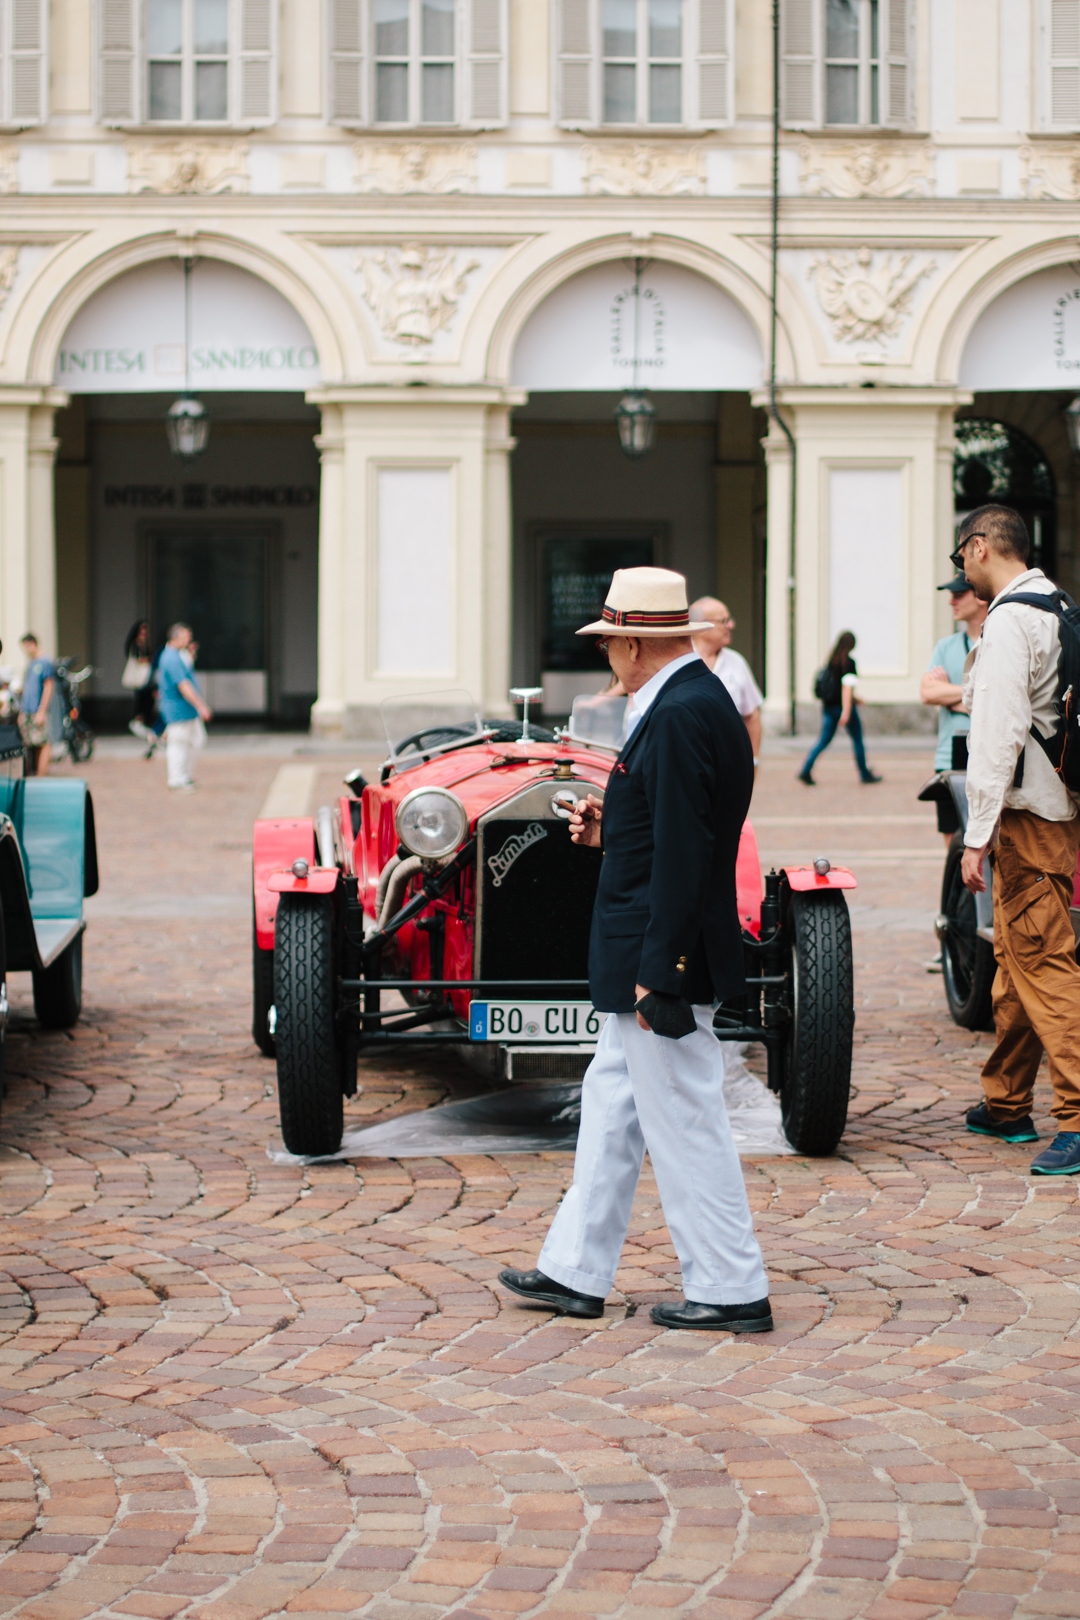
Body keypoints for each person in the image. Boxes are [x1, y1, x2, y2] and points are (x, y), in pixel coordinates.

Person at [498, 567, 772, 1333]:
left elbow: (689, 853)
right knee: (612, 1106)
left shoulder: (680, 711)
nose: (606, 659)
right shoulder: (687, 701)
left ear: (631, 644)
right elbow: (674, 828)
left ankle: (730, 1285)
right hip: (650, 947)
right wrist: (610, 827)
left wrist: (662, 974)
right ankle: (574, 1270)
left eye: (609, 644)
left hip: (659, 956)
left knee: (685, 1121)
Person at [957, 504, 1080, 1176]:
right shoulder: (1059, 605)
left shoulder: (1009, 619)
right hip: (1058, 811)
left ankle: (1079, 1116)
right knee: (1017, 960)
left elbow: (997, 734)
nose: (962, 571)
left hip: (1027, 821)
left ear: (979, 548)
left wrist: (976, 836)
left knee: (1045, 963)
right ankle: (1005, 1102)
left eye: (960, 558)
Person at [921, 574, 989, 846]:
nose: (952, 601)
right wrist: (977, 696)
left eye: (959, 594)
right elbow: (927, 692)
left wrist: (949, 693)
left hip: (988, 757)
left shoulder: (999, 642)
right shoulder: (945, 646)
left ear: (980, 597)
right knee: (954, 846)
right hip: (949, 760)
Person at [798, 631, 882, 785]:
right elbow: (846, 688)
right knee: (857, 739)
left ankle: (806, 769)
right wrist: (846, 710)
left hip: (828, 707)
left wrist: (855, 700)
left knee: (823, 740)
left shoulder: (832, 661)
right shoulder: (848, 663)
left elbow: (835, 687)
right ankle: (864, 773)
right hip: (842, 707)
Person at [690, 597, 763, 767]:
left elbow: (752, 716)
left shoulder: (736, 662)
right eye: (724, 621)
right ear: (701, 627)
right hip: (689, 761)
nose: (731, 625)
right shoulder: (679, 660)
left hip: (729, 763)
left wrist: (754, 760)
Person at [156, 623, 212, 791]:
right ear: (175, 637)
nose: (189, 640)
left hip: (185, 710)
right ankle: (177, 777)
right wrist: (200, 705)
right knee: (179, 742)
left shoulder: (178, 655)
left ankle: (184, 774)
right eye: (186, 636)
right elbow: (183, 685)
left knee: (195, 740)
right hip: (178, 709)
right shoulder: (171, 658)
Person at [17, 634, 55, 777]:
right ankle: (33, 772)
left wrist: (42, 711)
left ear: (32, 643)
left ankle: (41, 774)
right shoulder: (31, 663)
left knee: (42, 742)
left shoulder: (44, 662)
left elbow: (48, 686)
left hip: (37, 709)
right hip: (27, 709)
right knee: (31, 741)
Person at [123, 620, 163, 755]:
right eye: (142, 630)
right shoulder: (136, 644)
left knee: (148, 700)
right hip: (140, 678)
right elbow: (138, 659)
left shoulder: (146, 644)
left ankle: (144, 723)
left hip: (147, 678)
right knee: (142, 700)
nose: (145, 633)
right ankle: (138, 722)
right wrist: (148, 659)